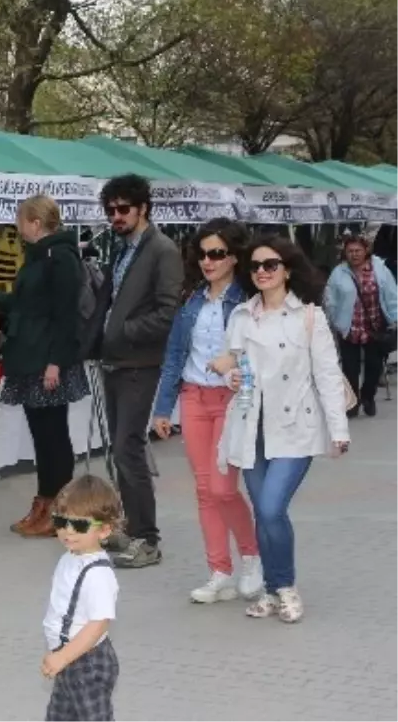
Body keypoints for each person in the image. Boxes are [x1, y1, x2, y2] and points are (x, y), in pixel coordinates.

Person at [216, 236, 349, 623]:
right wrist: (232, 381)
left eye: (270, 264)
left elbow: (327, 375)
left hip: (295, 427)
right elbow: (233, 366)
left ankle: (286, 586)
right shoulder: (240, 315)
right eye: (255, 266)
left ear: (287, 270)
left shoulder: (310, 317)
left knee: (273, 507)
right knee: (264, 512)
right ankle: (272, 591)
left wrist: (338, 430)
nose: (262, 271)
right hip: (251, 425)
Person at [0, 195, 90, 537]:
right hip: (30, 356)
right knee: (42, 436)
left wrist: (55, 362)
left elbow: (65, 316)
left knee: (53, 436)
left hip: (47, 360)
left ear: (35, 222)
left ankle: (59, 510)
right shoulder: (38, 256)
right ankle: (45, 503)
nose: (16, 224)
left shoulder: (61, 258)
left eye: (19, 218)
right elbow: (21, 305)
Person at [150, 219, 262, 603]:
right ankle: (219, 572)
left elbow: (260, 351)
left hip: (231, 401)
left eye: (216, 254)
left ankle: (251, 556)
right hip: (194, 398)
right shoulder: (193, 300)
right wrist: (163, 409)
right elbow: (174, 356)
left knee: (222, 487)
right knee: (203, 490)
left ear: (233, 257)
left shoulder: (248, 301)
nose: (207, 261)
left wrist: (234, 364)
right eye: (202, 254)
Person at [95, 174, 183, 568]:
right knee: (119, 448)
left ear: (143, 207)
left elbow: (167, 313)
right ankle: (131, 527)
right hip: (115, 360)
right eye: (110, 210)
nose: (116, 216)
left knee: (128, 448)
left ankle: (148, 538)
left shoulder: (162, 250)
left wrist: (124, 331)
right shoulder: (123, 248)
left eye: (123, 209)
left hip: (138, 363)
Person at [41, 474, 122, 722]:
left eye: (79, 525)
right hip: (68, 657)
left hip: (87, 662)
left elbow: (99, 624)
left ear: (105, 529)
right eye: (60, 521)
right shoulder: (71, 557)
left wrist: (63, 657)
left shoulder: (97, 574)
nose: (67, 532)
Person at [323, 234, 398, 417]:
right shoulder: (338, 273)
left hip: (374, 327)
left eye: (358, 251)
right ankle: (353, 401)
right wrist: (335, 320)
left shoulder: (380, 270)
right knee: (350, 369)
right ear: (345, 253)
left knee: (374, 367)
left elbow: (391, 294)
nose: (354, 254)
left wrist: (395, 317)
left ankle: (368, 396)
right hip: (349, 328)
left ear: (366, 251)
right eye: (350, 251)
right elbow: (329, 298)